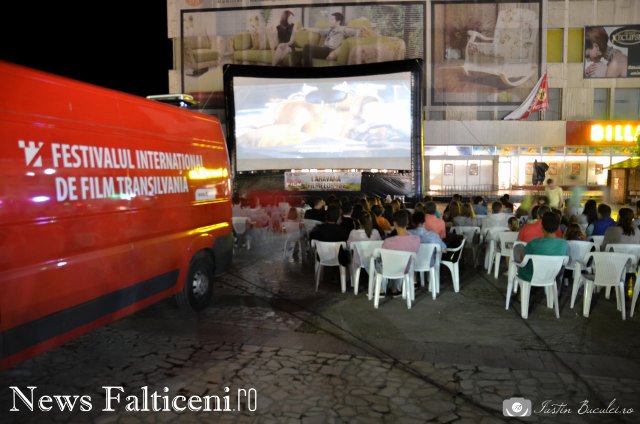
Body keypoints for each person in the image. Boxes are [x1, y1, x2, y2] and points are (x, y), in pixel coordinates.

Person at [517, 212, 569, 283]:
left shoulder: (534, 243)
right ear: (558, 227)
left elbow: (522, 258)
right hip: (552, 276)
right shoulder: (564, 244)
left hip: (530, 276)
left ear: (542, 226)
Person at [381, 210, 420, 297]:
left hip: (390, 269)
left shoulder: (388, 242)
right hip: (407, 268)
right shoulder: (416, 239)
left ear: (394, 223)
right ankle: (395, 288)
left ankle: (381, 289)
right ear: (407, 222)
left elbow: (383, 258)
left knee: (381, 261)